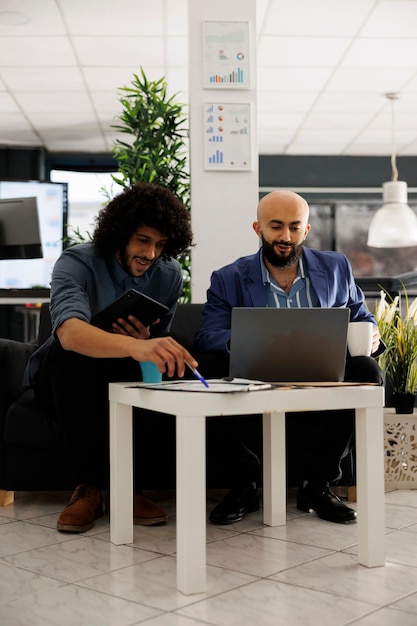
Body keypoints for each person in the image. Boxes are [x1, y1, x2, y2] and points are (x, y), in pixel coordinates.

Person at [193, 189, 384, 525]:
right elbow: (208, 335)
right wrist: (250, 340)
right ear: (258, 229)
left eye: (295, 227)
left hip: (321, 371)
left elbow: (360, 315)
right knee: (207, 368)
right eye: (276, 226)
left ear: (306, 230)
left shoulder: (336, 267)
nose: (285, 237)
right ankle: (243, 483)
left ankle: (318, 484)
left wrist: (369, 332)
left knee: (368, 371)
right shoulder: (229, 278)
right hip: (253, 372)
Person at [23, 182, 196, 533]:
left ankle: (128, 488)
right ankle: (88, 488)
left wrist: (150, 343)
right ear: (120, 233)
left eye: (161, 244)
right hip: (62, 378)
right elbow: (70, 334)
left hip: (123, 372)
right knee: (70, 358)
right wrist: (137, 347)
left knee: (166, 372)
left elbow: (156, 345)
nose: (150, 253)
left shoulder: (168, 274)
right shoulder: (78, 262)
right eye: (143, 240)